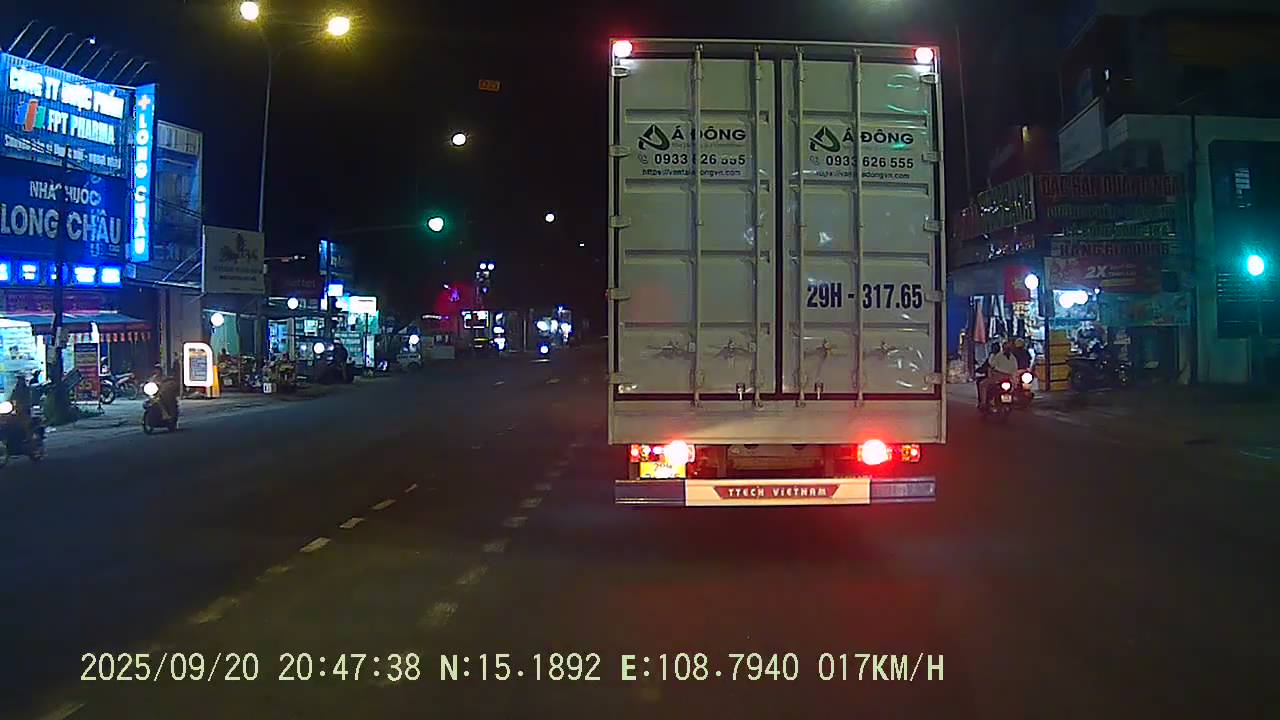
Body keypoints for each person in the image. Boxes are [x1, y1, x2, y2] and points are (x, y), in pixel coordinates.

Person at [978, 340, 1021, 408]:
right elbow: (1015, 368)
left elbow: (992, 365)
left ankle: (983, 403)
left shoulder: (999, 355)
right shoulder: (1013, 357)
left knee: (982, 384)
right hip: (1010, 377)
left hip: (999, 376)